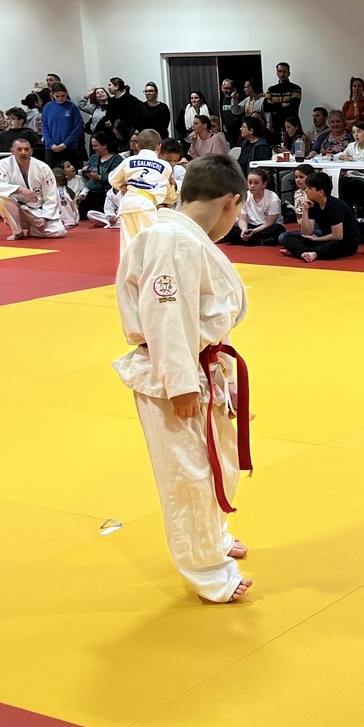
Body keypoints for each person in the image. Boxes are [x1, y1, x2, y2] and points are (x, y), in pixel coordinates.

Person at [114, 153, 253, 603]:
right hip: (172, 375)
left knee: (217, 464)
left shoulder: (185, 238)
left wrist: (224, 381)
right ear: (231, 202)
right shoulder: (171, 241)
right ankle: (208, 572)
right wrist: (180, 385)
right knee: (189, 476)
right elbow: (166, 317)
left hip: (202, 366)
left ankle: (212, 537)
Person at [111, 131, 183, 254]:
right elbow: (170, 196)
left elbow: (112, 179)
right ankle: (152, 266)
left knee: (129, 245)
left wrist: (121, 185)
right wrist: (173, 189)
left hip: (127, 203)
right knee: (152, 243)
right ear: (159, 147)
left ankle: (128, 267)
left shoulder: (128, 161)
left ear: (137, 145)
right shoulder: (164, 165)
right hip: (145, 205)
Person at [0, 132, 67, 240]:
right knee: (0, 200)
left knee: (59, 232)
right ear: (12, 151)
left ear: (31, 151)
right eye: (19, 149)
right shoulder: (4, 164)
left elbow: (51, 195)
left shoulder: (43, 167)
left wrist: (45, 217)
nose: (23, 153)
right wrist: (19, 189)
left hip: (37, 211)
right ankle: (17, 231)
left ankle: (33, 229)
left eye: (26, 149)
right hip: (17, 210)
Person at [283, 171, 361, 262]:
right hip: (326, 238)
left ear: (320, 192)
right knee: (287, 238)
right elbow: (306, 232)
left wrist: (317, 239)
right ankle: (306, 252)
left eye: (310, 188)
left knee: (333, 246)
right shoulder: (313, 204)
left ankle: (305, 252)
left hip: (345, 241)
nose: (306, 191)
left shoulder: (335, 206)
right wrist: (305, 209)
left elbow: (337, 236)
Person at [224, 171, 284, 247]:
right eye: (250, 183)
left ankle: (251, 240)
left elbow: (269, 223)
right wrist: (244, 230)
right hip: (251, 226)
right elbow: (242, 219)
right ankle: (260, 241)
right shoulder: (245, 196)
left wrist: (253, 231)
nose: (252, 186)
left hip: (266, 227)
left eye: (256, 183)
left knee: (278, 230)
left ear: (264, 184)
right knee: (227, 230)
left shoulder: (273, 198)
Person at [41, 82, 85, 171]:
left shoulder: (72, 107)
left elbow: (77, 127)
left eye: (63, 96)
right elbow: (44, 127)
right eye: (57, 96)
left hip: (69, 147)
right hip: (51, 148)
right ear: (52, 95)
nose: (60, 99)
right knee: (52, 172)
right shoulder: (48, 107)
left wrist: (65, 144)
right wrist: (51, 144)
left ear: (66, 93)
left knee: (70, 172)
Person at [265, 63, 302, 139]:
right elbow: (265, 107)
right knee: (277, 146)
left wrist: (274, 107)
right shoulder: (271, 89)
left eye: (284, 71)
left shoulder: (295, 88)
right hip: (276, 127)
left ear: (289, 73)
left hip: (292, 126)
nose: (282, 74)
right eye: (279, 71)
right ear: (277, 73)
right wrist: (282, 105)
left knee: (295, 145)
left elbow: (293, 107)